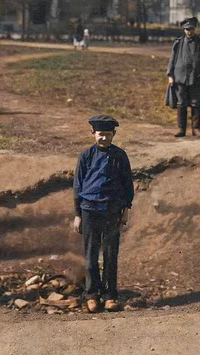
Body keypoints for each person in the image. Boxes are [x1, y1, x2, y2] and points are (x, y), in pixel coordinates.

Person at [72, 115, 134, 313]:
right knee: (90, 256)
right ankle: (91, 295)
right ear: (93, 134)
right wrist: (77, 214)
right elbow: (77, 186)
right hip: (89, 210)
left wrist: (126, 209)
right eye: (100, 135)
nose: (104, 139)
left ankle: (110, 296)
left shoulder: (120, 156)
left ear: (114, 134)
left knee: (110, 255)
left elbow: (127, 184)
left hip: (111, 211)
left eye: (108, 135)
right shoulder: (86, 156)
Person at [165, 17, 200, 137]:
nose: (189, 31)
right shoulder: (178, 43)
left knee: (196, 104)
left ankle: (196, 128)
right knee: (181, 104)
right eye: (186, 29)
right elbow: (172, 60)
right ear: (183, 30)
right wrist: (170, 75)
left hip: (196, 79)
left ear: (195, 29)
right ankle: (181, 129)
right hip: (180, 79)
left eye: (191, 29)